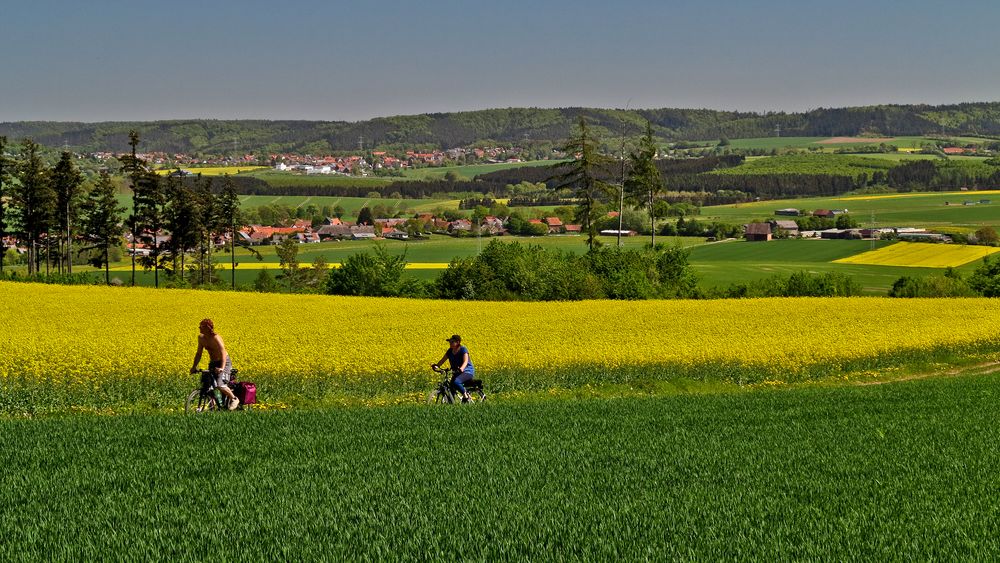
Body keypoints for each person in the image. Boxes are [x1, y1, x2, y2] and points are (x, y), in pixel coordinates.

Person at [190, 318, 239, 410]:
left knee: (220, 384)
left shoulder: (216, 338)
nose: (199, 328)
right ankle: (215, 404)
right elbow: (199, 354)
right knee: (208, 383)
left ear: (208, 328)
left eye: (201, 326)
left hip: (224, 362)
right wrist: (194, 367)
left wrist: (222, 368)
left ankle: (234, 399)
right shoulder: (201, 338)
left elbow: (223, 352)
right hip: (213, 362)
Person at [432, 334, 475, 403]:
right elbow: (442, 360)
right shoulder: (450, 351)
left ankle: (465, 396)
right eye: (450, 342)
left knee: (456, 382)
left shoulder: (463, 349)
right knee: (451, 387)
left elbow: (466, 361)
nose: (450, 343)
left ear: (457, 342)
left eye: (452, 342)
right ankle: (451, 404)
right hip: (456, 372)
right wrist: (437, 365)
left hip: (467, 371)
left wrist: (462, 368)